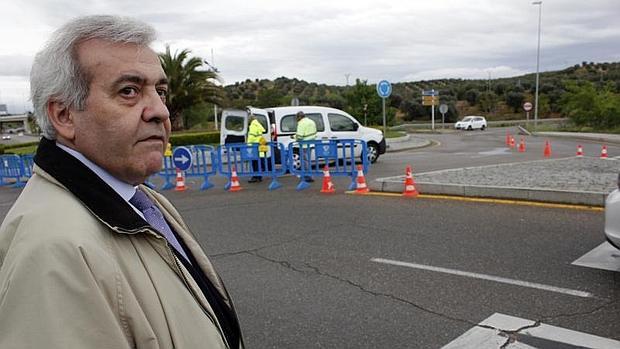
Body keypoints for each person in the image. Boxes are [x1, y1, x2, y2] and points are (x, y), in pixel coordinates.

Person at [0, 15, 243, 348]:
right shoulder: (55, 251)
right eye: (129, 91)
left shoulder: (139, 199)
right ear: (64, 115)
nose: (159, 111)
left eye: (160, 91)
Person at [294, 111, 317, 182]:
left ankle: (308, 176)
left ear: (299, 117)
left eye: (297, 118)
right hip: (311, 143)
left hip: (304, 145)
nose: (297, 120)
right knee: (308, 160)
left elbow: (300, 136)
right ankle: (309, 175)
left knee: (304, 161)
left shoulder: (301, 123)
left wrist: (295, 137)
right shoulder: (311, 121)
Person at [246, 114, 265, 183]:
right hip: (259, 145)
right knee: (258, 162)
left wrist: (248, 146)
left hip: (254, 147)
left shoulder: (253, 126)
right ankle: (259, 176)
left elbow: (251, 137)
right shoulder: (258, 124)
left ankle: (255, 177)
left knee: (254, 162)